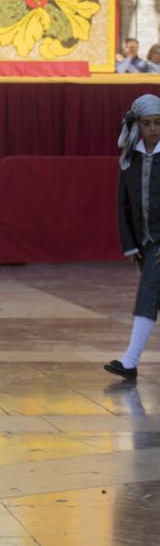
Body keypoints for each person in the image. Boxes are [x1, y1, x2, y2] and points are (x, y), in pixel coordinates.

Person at [108, 94, 160, 381]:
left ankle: (130, 361)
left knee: (148, 293)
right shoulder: (130, 158)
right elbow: (123, 204)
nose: (153, 129)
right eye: (147, 123)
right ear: (138, 124)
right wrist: (131, 245)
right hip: (147, 242)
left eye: (158, 123)